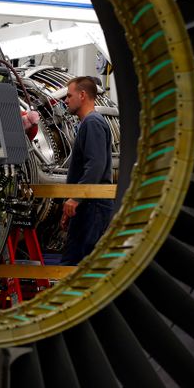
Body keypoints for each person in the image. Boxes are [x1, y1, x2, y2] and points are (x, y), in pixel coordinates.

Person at [60, 76, 113, 265]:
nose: (66, 100)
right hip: (88, 204)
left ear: (82, 95)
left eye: (69, 95)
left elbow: (96, 165)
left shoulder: (92, 123)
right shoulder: (89, 123)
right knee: (75, 261)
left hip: (92, 204)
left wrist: (76, 198)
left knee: (75, 265)